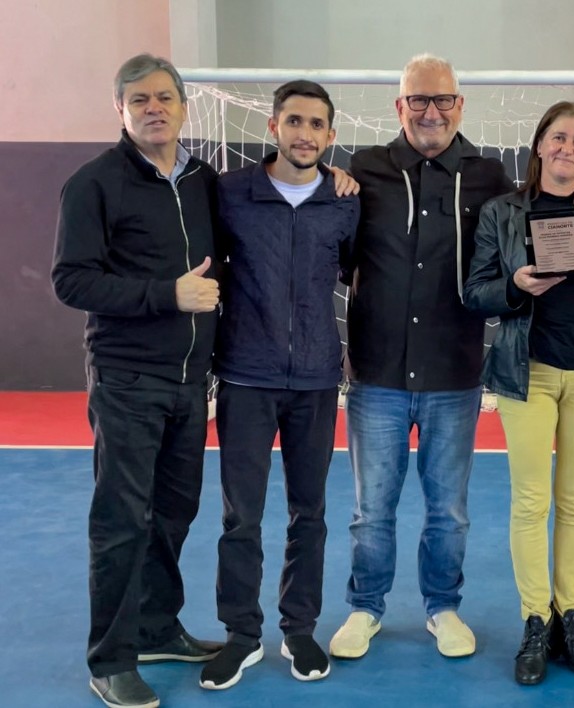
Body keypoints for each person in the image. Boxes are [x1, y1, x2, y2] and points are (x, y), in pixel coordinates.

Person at [51, 53, 223, 708]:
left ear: (182, 106)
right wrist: (165, 295)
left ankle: (155, 628)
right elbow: (72, 281)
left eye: (164, 97)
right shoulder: (94, 183)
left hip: (190, 382)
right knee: (122, 521)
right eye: (140, 100)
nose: (154, 109)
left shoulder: (203, 180)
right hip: (127, 379)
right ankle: (111, 659)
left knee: (174, 511)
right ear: (120, 110)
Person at [329, 53, 513, 660]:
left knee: (449, 511)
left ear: (460, 105)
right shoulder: (363, 171)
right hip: (377, 373)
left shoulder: (489, 177)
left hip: (454, 374)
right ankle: (365, 608)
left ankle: (443, 607)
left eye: (442, 100)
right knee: (371, 510)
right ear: (399, 106)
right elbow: (339, 255)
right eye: (418, 100)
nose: (431, 111)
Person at [198, 81, 359, 690]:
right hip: (245, 375)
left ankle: (299, 629)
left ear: (330, 136)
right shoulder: (231, 193)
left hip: (316, 380)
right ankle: (242, 635)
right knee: (240, 517)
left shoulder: (345, 201)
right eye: (294, 121)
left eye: (316, 125)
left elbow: (355, 271)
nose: (305, 134)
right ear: (273, 127)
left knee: (308, 513)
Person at [464, 101, 574, 685]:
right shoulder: (502, 212)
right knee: (531, 502)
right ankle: (535, 620)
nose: (567, 149)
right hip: (524, 373)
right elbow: (474, 291)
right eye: (558, 138)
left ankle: (569, 618)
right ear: (538, 144)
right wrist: (515, 284)